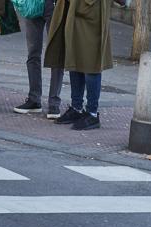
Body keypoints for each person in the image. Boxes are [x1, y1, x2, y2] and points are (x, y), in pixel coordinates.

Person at [45, 0, 112, 130]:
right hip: (73, 11)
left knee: (91, 63)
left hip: (91, 12)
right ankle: (76, 108)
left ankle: (92, 113)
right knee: (74, 59)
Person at [15, 0, 66, 118]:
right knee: (33, 53)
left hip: (54, 5)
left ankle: (54, 103)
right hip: (33, 4)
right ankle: (34, 99)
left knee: (56, 53)